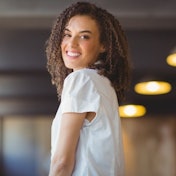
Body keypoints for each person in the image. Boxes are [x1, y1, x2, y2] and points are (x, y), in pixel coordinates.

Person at [46, 1, 131, 176]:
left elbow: (62, 162)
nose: (71, 43)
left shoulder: (82, 79)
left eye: (84, 36)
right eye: (67, 34)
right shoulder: (103, 83)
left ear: (104, 45)